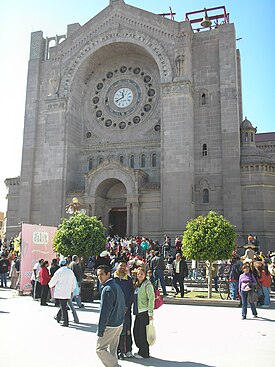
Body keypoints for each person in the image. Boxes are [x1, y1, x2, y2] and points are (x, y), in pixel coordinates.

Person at [96, 265, 125, 367]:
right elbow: (123, 305)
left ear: (108, 274)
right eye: (98, 275)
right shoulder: (116, 286)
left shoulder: (107, 289)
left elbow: (105, 312)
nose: (99, 277)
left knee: (100, 349)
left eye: (102, 274)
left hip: (110, 325)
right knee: (113, 350)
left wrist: (100, 329)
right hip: (118, 323)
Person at [113, 259, 134, 359]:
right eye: (120, 265)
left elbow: (131, 294)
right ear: (117, 266)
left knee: (127, 329)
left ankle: (128, 349)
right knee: (115, 330)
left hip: (126, 309)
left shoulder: (129, 280)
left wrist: (127, 306)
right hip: (114, 309)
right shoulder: (113, 278)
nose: (122, 267)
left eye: (124, 266)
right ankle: (116, 350)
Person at [133, 266, 155, 359]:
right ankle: (140, 349)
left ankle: (144, 352)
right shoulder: (138, 284)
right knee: (136, 331)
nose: (140, 275)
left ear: (145, 274)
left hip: (144, 311)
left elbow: (151, 299)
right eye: (138, 274)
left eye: (141, 274)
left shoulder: (147, 284)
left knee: (143, 333)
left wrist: (150, 314)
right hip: (138, 311)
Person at [49, 259, 76, 327]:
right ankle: (58, 317)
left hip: (60, 292)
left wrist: (50, 285)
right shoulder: (70, 272)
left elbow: (53, 281)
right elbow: (74, 283)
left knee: (63, 306)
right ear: (66, 264)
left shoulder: (59, 272)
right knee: (63, 305)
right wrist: (72, 290)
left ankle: (65, 322)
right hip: (68, 292)